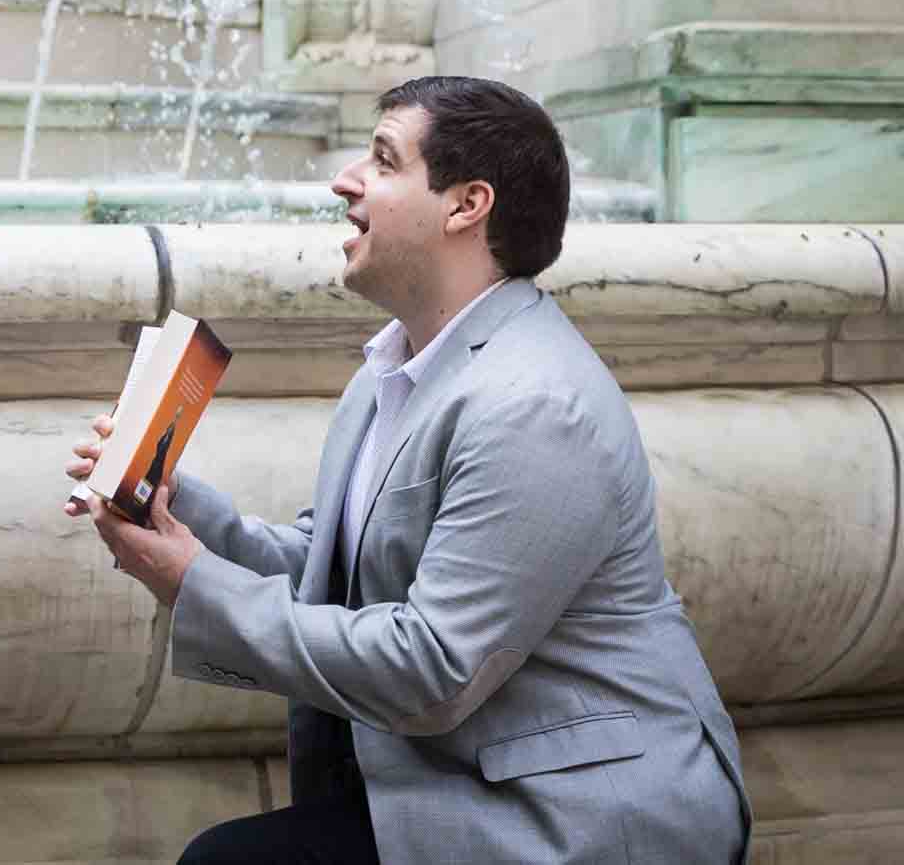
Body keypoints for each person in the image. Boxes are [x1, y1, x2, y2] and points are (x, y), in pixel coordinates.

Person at [66, 76, 751, 863]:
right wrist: (176, 507)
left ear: (466, 205)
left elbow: (432, 669)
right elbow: (328, 568)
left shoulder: (534, 404)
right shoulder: (393, 369)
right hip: (464, 779)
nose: (345, 180)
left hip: (582, 813)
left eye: (383, 160)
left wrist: (193, 580)